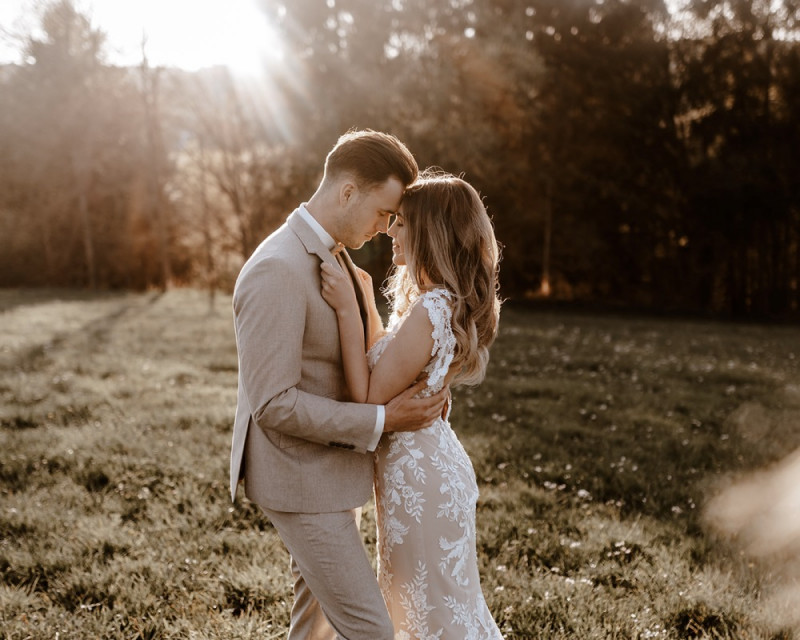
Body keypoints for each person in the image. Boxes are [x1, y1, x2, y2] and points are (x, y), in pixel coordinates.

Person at [229, 130, 449, 640]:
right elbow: (273, 404)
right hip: (299, 478)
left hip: (328, 471)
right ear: (348, 192)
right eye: (383, 213)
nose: (385, 228)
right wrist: (383, 420)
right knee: (372, 630)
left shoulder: (337, 255)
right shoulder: (276, 270)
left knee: (314, 629)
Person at [320, 168, 504, 638]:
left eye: (401, 221)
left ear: (430, 232)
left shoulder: (430, 310)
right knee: (434, 606)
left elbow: (367, 395)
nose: (390, 229)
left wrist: (346, 310)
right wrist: (363, 300)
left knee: (426, 613)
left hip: (420, 482)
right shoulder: (434, 304)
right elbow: (389, 362)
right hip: (425, 469)